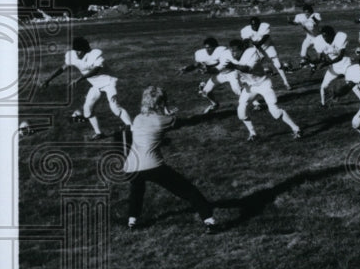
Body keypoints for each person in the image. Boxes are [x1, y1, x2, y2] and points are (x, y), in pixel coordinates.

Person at [123, 86, 217, 234]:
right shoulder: (164, 120)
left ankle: (132, 222)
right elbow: (180, 122)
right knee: (188, 190)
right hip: (151, 165)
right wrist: (169, 111)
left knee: (137, 191)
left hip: (130, 166)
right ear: (161, 102)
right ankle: (209, 221)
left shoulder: (138, 118)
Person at [38, 36, 132, 140]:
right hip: (96, 85)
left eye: (80, 51)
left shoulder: (95, 54)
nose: (77, 53)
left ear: (85, 50)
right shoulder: (72, 55)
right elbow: (62, 68)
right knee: (87, 110)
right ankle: (99, 133)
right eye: (76, 50)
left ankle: (132, 129)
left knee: (115, 107)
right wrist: (48, 80)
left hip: (109, 82)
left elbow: (96, 70)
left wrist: (79, 79)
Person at [229, 39, 301, 142]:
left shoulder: (251, 52)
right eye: (231, 51)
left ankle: (296, 129)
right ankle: (253, 133)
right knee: (241, 111)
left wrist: (234, 66)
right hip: (250, 87)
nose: (232, 53)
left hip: (263, 84)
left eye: (235, 51)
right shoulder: (232, 59)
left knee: (275, 112)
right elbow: (233, 73)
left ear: (242, 50)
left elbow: (248, 69)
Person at [178, 36, 241, 114]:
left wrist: (207, 69)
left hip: (231, 73)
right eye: (206, 48)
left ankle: (251, 103)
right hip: (220, 75)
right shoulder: (201, 53)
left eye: (210, 48)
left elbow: (219, 65)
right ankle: (214, 104)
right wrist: (186, 69)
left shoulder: (223, 51)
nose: (208, 50)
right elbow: (196, 64)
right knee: (206, 91)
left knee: (237, 90)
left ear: (216, 47)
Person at [241, 16, 291, 89]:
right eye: (253, 25)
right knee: (253, 66)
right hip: (257, 49)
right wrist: (245, 47)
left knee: (278, 65)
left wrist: (258, 43)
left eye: (256, 24)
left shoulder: (264, 26)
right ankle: (256, 83)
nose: (254, 26)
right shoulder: (246, 30)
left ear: (259, 24)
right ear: (250, 25)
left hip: (268, 47)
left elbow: (266, 37)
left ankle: (286, 83)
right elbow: (245, 40)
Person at [312, 25, 352, 107]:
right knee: (323, 87)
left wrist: (326, 63)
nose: (324, 38)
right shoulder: (319, 41)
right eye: (323, 36)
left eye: (326, 36)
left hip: (345, 64)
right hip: (334, 67)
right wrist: (311, 62)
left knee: (352, 84)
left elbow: (340, 57)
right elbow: (319, 58)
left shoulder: (340, 37)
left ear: (332, 35)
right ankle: (323, 104)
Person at [291, 3, 322, 68]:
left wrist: (314, 19)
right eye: (305, 12)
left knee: (320, 54)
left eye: (308, 13)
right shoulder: (300, 16)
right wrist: (290, 22)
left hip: (317, 37)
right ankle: (312, 64)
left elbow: (317, 22)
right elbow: (295, 23)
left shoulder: (316, 15)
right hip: (308, 37)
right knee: (303, 54)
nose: (307, 14)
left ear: (311, 12)